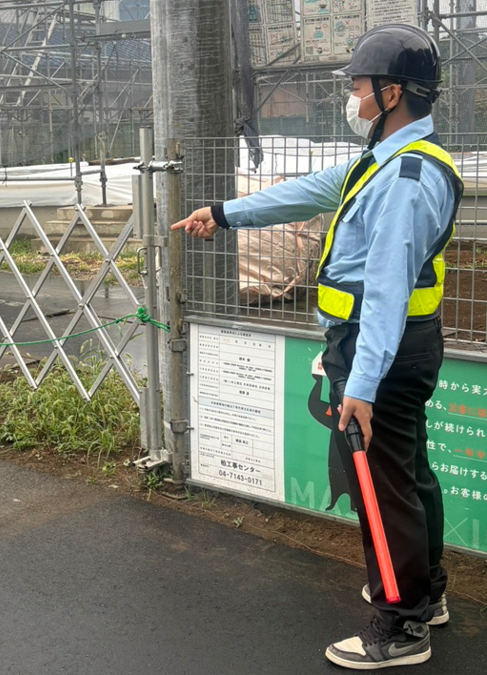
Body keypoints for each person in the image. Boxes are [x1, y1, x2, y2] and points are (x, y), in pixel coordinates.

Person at [172, 24, 461, 670]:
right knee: (407, 472)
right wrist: (223, 214)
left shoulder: (407, 179)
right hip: (391, 347)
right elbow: (304, 192)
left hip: (377, 349)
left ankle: (400, 623)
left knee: (381, 485)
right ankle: (425, 589)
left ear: (391, 93)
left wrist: (359, 384)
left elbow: (385, 289)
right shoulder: (383, 159)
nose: (349, 97)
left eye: (357, 86)